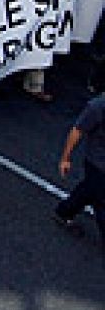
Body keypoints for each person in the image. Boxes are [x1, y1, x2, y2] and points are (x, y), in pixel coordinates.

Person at [55, 90, 105, 241]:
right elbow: (77, 131)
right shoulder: (98, 107)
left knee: (89, 190)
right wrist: (65, 158)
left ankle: (64, 212)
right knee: (102, 203)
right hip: (98, 163)